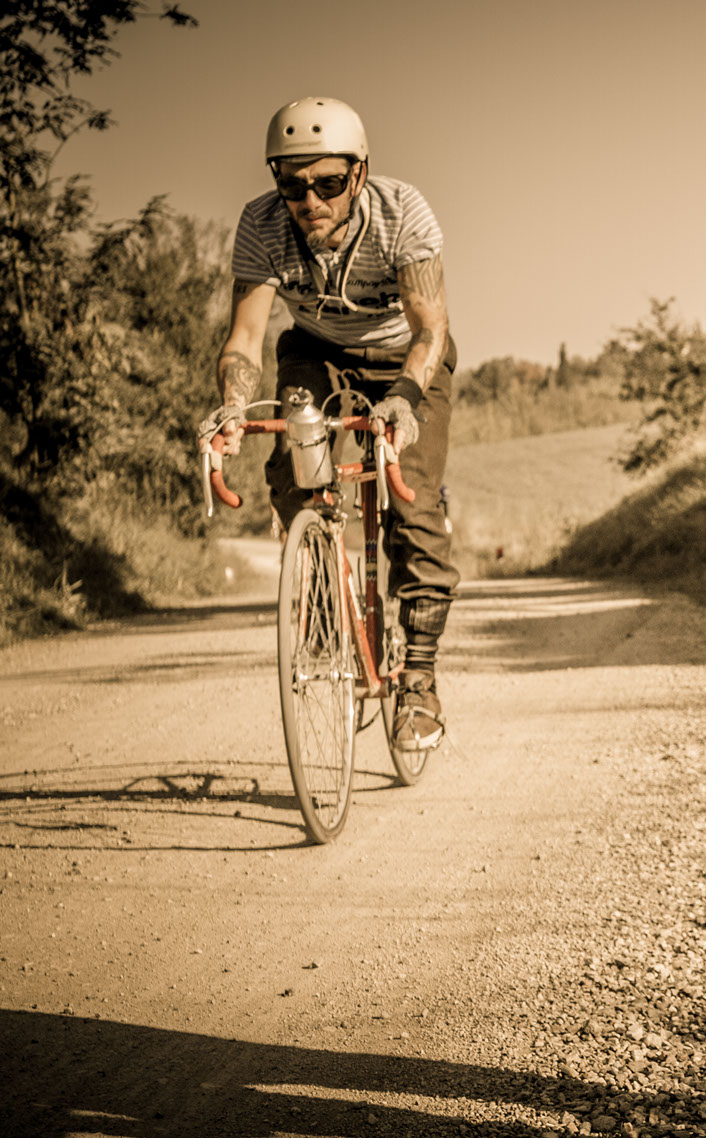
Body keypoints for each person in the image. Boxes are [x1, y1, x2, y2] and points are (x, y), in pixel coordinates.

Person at [210, 96, 458, 751]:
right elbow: (245, 339)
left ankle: (420, 682)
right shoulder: (262, 225)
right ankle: (322, 608)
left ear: (359, 173)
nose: (309, 199)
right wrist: (233, 409)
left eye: (327, 182)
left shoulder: (402, 214)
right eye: (291, 183)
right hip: (316, 351)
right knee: (298, 471)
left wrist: (405, 397)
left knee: (415, 507)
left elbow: (433, 327)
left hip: (406, 355)